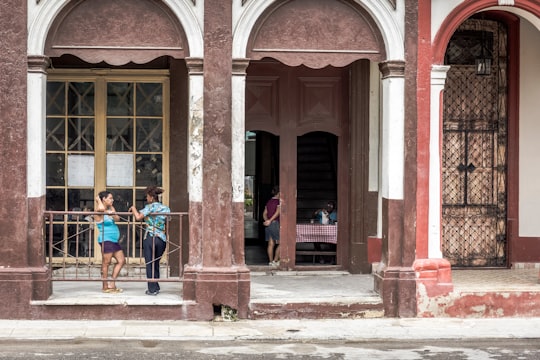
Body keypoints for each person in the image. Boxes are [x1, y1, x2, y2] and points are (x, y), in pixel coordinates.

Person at [129, 186, 171, 296]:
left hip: (150, 237)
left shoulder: (149, 207)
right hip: (161, 238)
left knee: (150, 263)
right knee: (156, 262)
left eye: (147, 196)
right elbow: (167, 223)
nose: (147, 198)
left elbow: (138, 217)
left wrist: (133, 208)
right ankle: (156, 285)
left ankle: (152, 289)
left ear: (152, 197)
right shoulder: (166, 209)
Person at [94, 191, 125, 293]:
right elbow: (101, 209)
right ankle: (105, 286)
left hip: (113, 241)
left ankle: (112, 283)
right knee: (106, 263)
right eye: (110, 198)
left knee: (121, 261)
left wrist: (112, 210)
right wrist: (98, 200)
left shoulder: (109, 210)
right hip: (106, 239)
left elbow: (117, 219)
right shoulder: (99, 211)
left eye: (112, 198)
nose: (112, 200)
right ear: (104, 199)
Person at [263, 185, 281, 267]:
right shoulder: (279, 202)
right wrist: (270, 221)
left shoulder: (269, 201)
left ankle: (270, 262)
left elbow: (264, 213)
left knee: (270, 244)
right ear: (279, 193)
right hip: (275, 223)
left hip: (269, 225)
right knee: (282, 243)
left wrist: (267, 220)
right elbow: (278, 212)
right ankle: (275, 260)